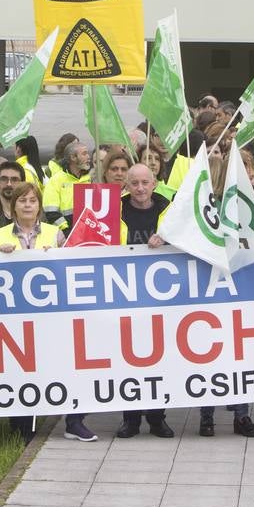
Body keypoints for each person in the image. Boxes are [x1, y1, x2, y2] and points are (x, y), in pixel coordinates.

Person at [0, 182, 65, 442]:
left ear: (40, 206)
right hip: (11, 315)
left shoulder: (56, 234)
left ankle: (39, 416)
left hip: (46, 315)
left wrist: (54, 256)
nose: (27, 205)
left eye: (33, 200)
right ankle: (18, 421)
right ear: (13, 206)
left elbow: (67, 272)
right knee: (16, 367)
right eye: (22, 201)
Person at [115, 163, 174, 439]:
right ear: (126, 185)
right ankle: (130, 419)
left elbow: (189, 241)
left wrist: (167, 240)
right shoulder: (114, 209)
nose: (140, 189)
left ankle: (157, 417)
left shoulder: (170, 209)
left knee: (158, 359)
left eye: (145, 183)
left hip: (160, 295)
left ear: (154, 183)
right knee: (128, 358)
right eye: (134, 183)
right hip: (124, 294)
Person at [42, 140, 90, 224]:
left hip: (90, 231)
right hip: (66, 233)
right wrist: (66, 231)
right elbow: (51, 212)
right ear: (73, 158)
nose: (88, 157)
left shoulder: (92, 178)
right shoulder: (55, 181)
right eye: (84, 154)